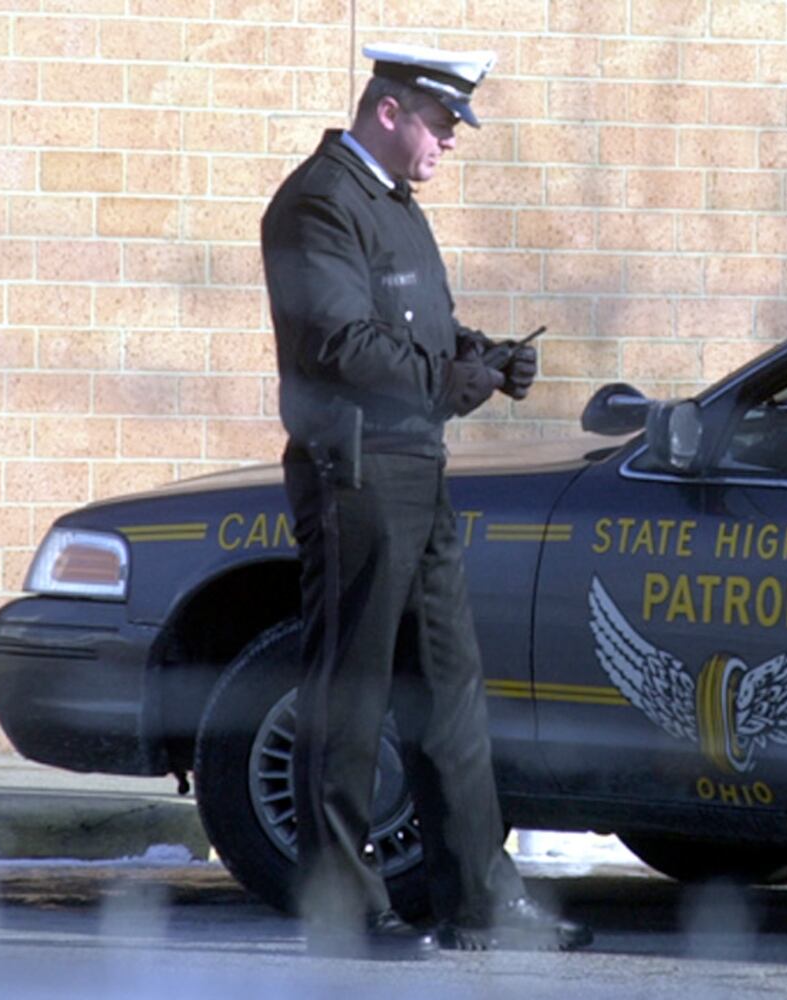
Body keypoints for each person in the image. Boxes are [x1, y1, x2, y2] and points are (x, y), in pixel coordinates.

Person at [260, 41, 583, 961]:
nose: (448, 143)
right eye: (440, 125)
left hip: (414, 468)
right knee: (350, 694)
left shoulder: (392, 206)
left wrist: (485, 353)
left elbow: (413, 321)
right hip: (354, 474)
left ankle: (481, 903)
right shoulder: (320, 201)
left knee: (447, 689)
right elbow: (340, 344)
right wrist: (454, 380)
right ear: (390, 110)